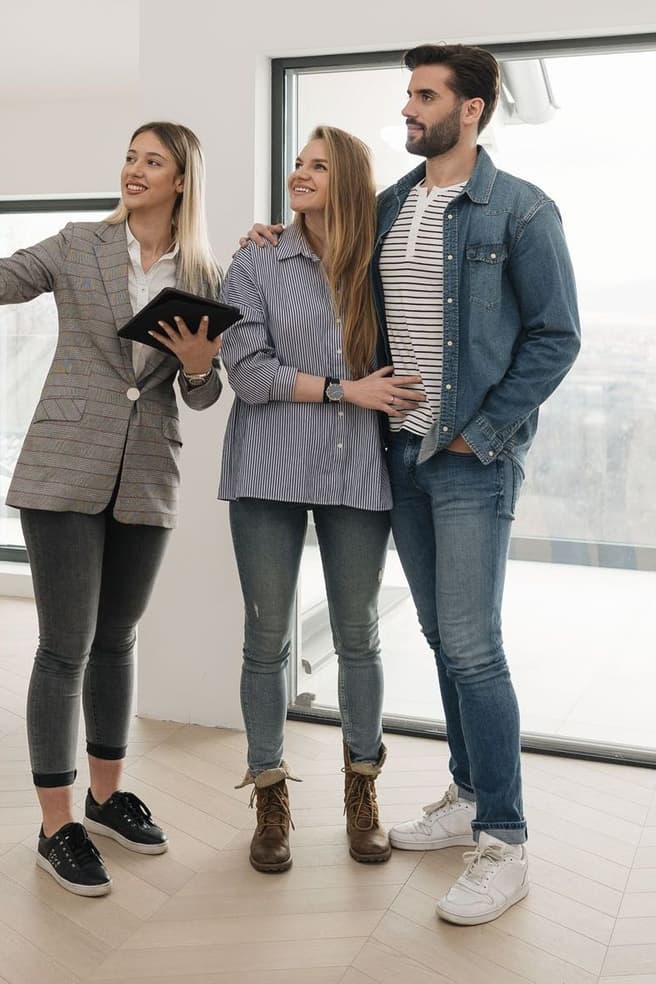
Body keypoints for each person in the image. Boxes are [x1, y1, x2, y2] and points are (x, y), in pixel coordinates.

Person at [244, 44, 580, 925]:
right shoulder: (391, 207)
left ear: (472, 110)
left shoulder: (521, 210)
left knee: (473, 645)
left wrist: (483, 432)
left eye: (425, 96)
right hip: (396, 455)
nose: (409, 109)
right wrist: (273, 234)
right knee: (438, 636)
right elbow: (322, 258)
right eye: (408, 95)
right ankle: (468, 796)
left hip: (469, 458)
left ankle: (504, 841)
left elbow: (555, 336)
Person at [0, 122, 225, 898]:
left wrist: (195, 366)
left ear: (183, 180)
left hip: (147, 476)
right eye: (129, 156)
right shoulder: (78, 242)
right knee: (65, 648)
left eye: (153, 161)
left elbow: (204, 393)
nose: (135, 170)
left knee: (117, 640)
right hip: (60, 471)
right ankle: (57, 827)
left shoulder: (206, 274)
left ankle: (108, 799)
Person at [217, 126, 424, 873]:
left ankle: (361, 792)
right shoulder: (256, 258)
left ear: (352, 182)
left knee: (360, 635)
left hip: (355, 475)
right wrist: (347, 391)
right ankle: (271, 797)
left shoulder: (381, 266)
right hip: (267, 470)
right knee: (266, 637)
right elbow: (247, 371)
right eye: (297, 163)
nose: (299, 173)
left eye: (318, 166)